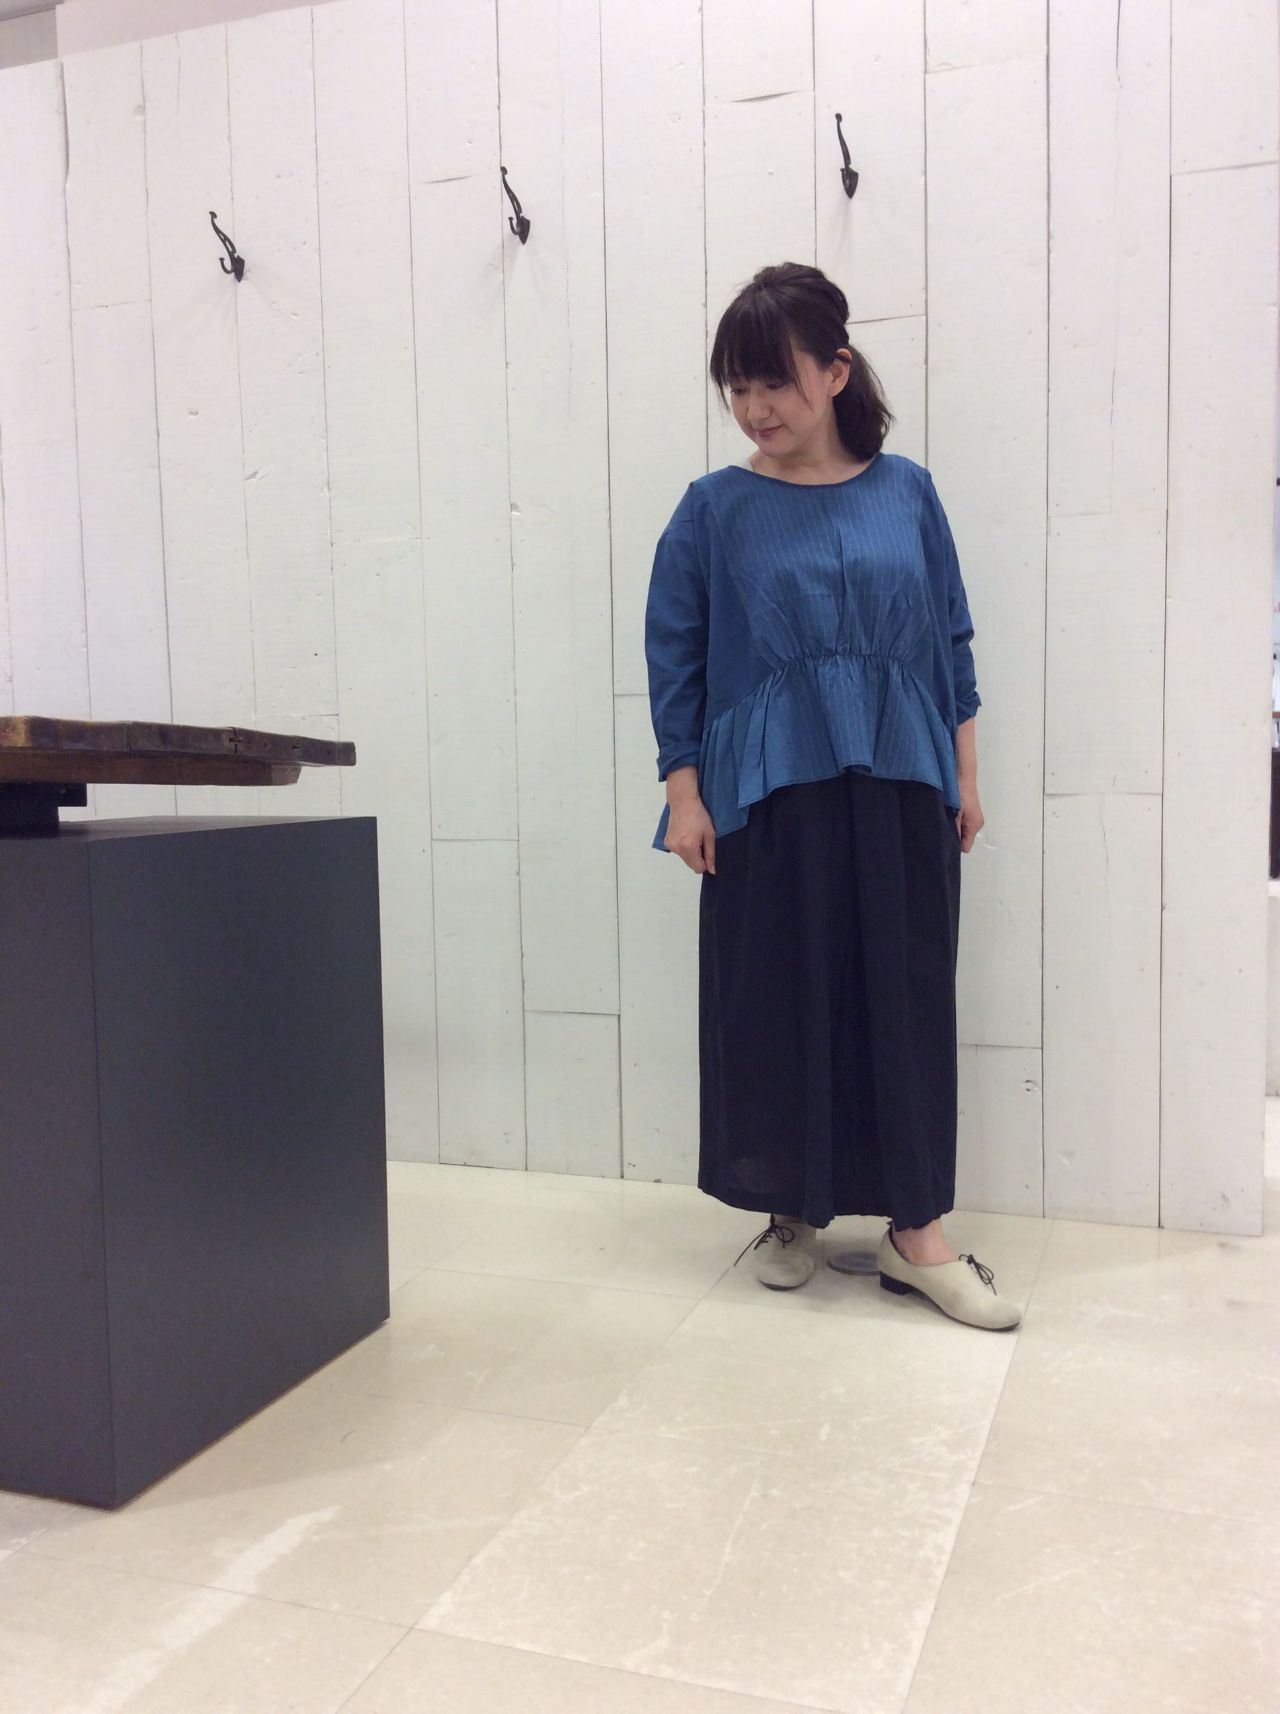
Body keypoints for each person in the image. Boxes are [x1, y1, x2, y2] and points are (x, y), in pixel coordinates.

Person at [644, 262, 1020, 1333]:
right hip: (767, 790)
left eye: (775, 381)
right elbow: (674, 656)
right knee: (776, 995)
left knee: (904, 997)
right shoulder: (713, 510)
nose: (754, 408)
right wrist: (684, 793)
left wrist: (965, 776)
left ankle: (917, 1233)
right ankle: (790, 1207)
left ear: (837, 370)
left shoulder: (907, 491)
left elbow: (950, 637)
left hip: (901, 776)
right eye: (737, 387)